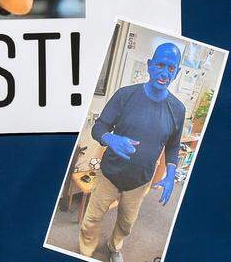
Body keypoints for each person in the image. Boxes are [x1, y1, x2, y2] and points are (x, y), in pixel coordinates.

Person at [78, 43, 185, 262]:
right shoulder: (125, 95)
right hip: (109, 174)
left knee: (126, 223)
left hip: (140, 181)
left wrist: (171, 174)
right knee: (92, 218)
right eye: (160, 65)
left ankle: (114, 246)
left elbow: (173, 145)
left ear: (177, 72)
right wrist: (110, 138)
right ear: (150, 65)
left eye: (171, 68)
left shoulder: (178, 109)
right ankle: (86, 252)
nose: (165, 73)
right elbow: (99, 127)